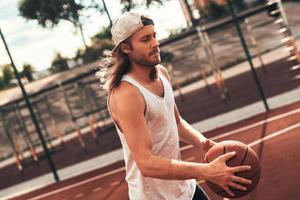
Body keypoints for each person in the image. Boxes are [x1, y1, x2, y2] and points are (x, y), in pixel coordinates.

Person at [102, 12, 252, 200]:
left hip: (186, 190)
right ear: (126, 48)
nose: (155, 43)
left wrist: (203, 143)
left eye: (154, 35)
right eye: (146, 39)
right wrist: (206, 171)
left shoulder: (161, 73)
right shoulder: (126, 94)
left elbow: (177, 122)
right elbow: (146, 163)